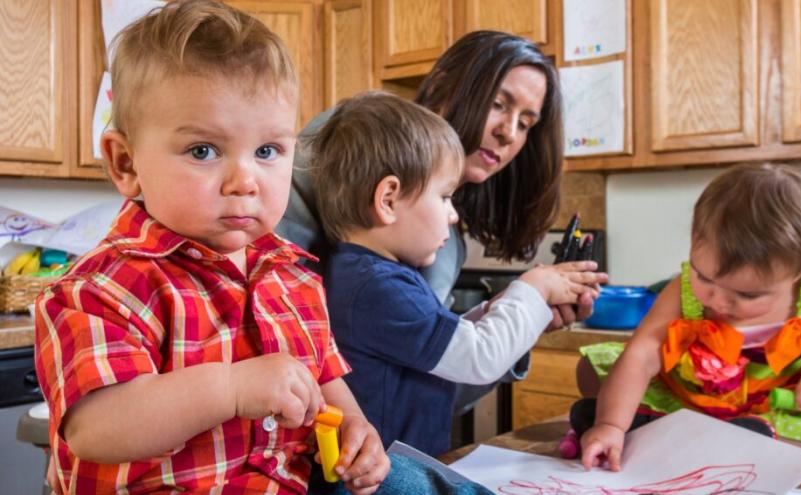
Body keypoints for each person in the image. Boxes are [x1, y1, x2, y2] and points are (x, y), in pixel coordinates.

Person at [31, 3, 487, 494]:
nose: (244, 180)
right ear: (126, 163)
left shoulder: (294, 274)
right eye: (203, 150)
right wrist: (232, 388)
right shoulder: (102, 288)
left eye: (267, 151)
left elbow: (325, 378)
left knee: (423, 484)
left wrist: (358, 429)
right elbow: (96, 428)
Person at [277, 32, 597, 414]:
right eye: (497, 104)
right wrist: (519, 307)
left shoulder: (443, 248)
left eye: (526, 123)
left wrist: (514, 322)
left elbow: (429, 381)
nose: (508, 133)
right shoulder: (351, 141)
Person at [308, 92, 607, 456]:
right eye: (445, 196)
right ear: (388, 200)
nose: (454, 215)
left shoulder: (369, 274)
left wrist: (499, 310)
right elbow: (478, 357)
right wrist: (534, 288)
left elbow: (440, 340)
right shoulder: (377, 286)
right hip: (390, 478)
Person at [573, 163, 801, 471]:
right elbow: (641, 354)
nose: (717, 301)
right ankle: (636, 425)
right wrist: (611, 424)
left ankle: (744, 438)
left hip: (773, 409)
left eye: (748, 295)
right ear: (694, 239)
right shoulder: (683, 288)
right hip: (691, 401)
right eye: (704, 277)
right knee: (592, 367)